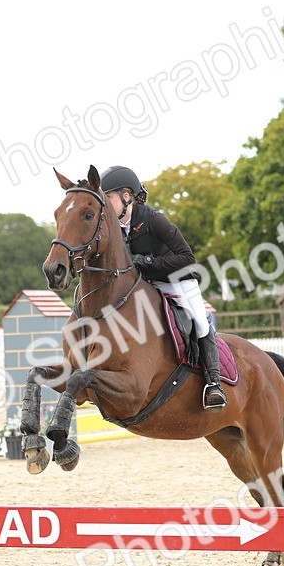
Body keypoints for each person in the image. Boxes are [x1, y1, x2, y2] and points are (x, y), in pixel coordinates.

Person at [99, 165, 225, 410]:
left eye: (109, 198)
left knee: (200, 320)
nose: (105, 205)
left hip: (180, 282)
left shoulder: (154, 219)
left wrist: (147, 262)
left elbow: (186, 257)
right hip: (150, 286)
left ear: (127, 196)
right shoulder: (115, 230)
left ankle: (214, 383)